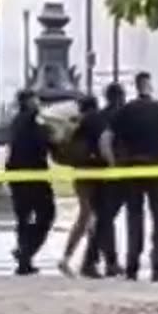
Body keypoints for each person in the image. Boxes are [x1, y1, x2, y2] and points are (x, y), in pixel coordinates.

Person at [100, 72, 158, 282]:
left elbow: (105, 139)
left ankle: (133, 264)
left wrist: (113, 162)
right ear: (149, 86)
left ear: (136, 86)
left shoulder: (125, 111)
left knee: (135, 217)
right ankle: (156, 261)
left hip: (132, 169)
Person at [6, 89, 56, 276]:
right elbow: (46, 141)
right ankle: (26, 252)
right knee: (47, 214)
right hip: (34, 175)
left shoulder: (17, 121)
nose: (38, 103)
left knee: (23, 219)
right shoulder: (33, 120)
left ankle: (24, 258)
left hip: (17, 175)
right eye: (35, 99)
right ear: (28, 102)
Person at [81, 82, 127, 278]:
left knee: (105, 219)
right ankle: (92, 262)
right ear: (120, 97)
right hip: (112, 172)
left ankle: (108, 261)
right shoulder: (118, 117)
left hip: (92, 173)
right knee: (106, 219)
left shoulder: (96, 117)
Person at [58, 95, 102, 277]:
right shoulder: (97, 122)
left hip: (80, 173)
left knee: (87, 216)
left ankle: (77, 258)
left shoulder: (76, 124)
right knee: (90, 218)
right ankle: (82, 261)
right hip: (96, 173)